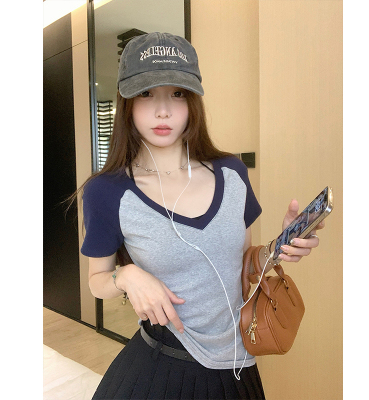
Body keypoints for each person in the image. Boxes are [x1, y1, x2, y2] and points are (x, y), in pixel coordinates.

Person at [79, 32, 325, 400]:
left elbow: (241, 263)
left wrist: (280, 247)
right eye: (146, 93)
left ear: (193, 100)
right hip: (160, 370)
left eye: (177, 93)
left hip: (237, 368)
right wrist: (126, 275)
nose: (163, 110)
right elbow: (97, 281)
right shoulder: (107, 191)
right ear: (126, 102)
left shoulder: (231, 173)